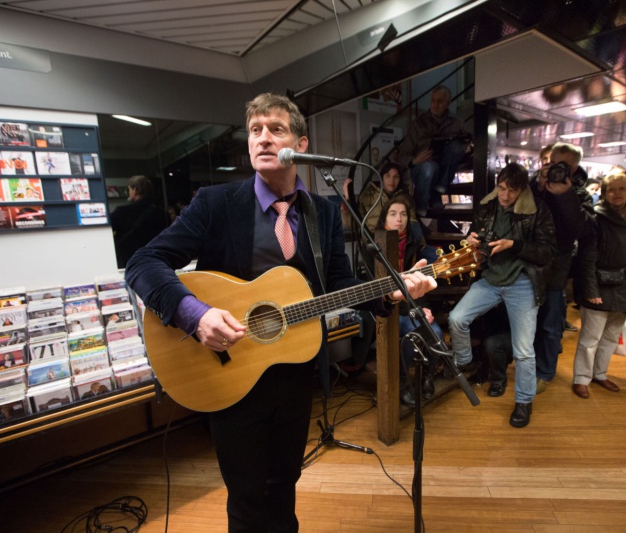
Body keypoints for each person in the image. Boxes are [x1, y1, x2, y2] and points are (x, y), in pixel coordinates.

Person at [125, 93, 436, 532]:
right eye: (255, 130)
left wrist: (391, 292)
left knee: (285, 483)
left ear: (301, 143)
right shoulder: (215, 204)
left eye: (276, 129)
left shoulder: (323, 212)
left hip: (293, 373)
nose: (263, 139)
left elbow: (338, 286)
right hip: (229, 373)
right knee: (247, 497)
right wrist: (196, 315)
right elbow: (143, 264)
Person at [447, 163, 556, 428]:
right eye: (502, 188)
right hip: (491, 279)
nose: (505, 195)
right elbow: (479, 238)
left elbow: (547, 251)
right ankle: (463, 361)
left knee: (523, 351)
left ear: (523, 190)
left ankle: (523, 402)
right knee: (457, 318)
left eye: (512, 190)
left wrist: (514, 245)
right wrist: (472, 239)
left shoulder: (537, 209)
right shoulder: (489, 206)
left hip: (521, 282)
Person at [572, 173, 626, 398]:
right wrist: (591, 291)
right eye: (612, 189)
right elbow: (587, 257)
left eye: (622, 188)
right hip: (600, 286)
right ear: (603, 193)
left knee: (611, 336)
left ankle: (600, 373)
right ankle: (581, 378)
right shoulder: (596, 218)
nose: (617, 193)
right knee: (590, 338)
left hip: (625, 287)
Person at [530, 142, 593, 394]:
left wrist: (564, 195)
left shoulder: (581, 194)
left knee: (550, 323)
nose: (556, 168)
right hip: (530, 264)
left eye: (563, 165)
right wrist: (539, 188)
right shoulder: (535, 184)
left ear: (574, 167)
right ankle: (529, 365)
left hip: (557, 268)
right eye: (553, 162)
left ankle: (545, 372)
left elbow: (584, 231)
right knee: (529, 321)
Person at [370, 196, 443, 405]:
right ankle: (402, 383)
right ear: (385, 217)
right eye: (393, 214)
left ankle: (426, 377)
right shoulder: (373, 247)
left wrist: (424, 308)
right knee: (408, 335)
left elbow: (420, 284)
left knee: (436, 333)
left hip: (411, 305)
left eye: (403, 214)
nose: (399, 219)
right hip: (387, 309)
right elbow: (379, 292)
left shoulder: (414, 244)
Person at [397, 85, 470, 216]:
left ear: (448, 103)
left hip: (445, 168)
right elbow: (402, 156)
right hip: (423, 169)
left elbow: (466, 144)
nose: (435, 104)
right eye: (433, 100)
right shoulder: (418, 123)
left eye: (440, 101)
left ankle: (438, 191)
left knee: (456, 146)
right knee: (430, 167)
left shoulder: (457, 123)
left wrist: (467, 149)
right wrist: (415, 161)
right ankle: (420, 210)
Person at [110, 175, 170, 269]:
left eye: (129, 189)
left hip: (130, 262)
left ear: (135, 190)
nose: (128, 192)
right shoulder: (162, 214)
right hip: (157, 261)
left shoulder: (121, 212)